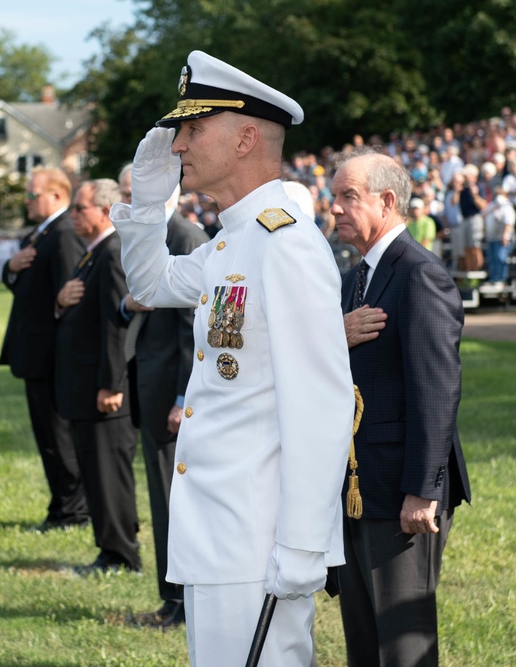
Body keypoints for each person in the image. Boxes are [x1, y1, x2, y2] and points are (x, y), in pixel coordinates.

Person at [110, 51, 353, 665]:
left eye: (194, 129)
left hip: (258, 542)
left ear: (246, 138)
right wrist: (147, 204)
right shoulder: (236, 240)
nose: (180, 143)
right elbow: (149, 284)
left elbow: (320, 405)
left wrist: (302, 546)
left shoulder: (285, 243)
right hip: (220, 533)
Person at [334, 147, 471, 667]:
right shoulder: (355, 278)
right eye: (334, 198)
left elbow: (436, 392)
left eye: (349, 196)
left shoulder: (419, 275)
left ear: (387, 201)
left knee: (402, 642)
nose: (337, 209)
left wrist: (422, 490)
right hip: (357, 483)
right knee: (364, 639)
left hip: (399, 491)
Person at [119, 164, 209, 627]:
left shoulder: (184, 236)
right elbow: (135, 303)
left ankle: (180, 603)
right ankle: (171, 600)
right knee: (162, 500)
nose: (128, 199)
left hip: (173, 398)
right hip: (152, 389)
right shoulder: (153, 232)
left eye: (134, 191)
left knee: (175, 504)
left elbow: (192, 335)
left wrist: (181, 396)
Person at [54, 179, 141, 575]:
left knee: (109, 476)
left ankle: (121, 555)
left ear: (105, 212)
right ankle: (109, 549)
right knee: (96, 472)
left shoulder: (112, 252)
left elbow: (116, 325)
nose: (73, 215)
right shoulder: (93, 253)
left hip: (102, 389)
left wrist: (112, 383)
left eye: (80, 208)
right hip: (86, 385)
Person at [0, 168, 90, 533]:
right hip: (36, 351)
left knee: (59, 437)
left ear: (55, 195)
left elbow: (69, 298)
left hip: (52, 355)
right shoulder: (43, 233)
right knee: (47, 437)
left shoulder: (65, 233)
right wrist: (10, 267)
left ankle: (73, 511)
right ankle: (61, 506)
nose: (26, 201)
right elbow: (27, 286)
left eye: (31, 194)